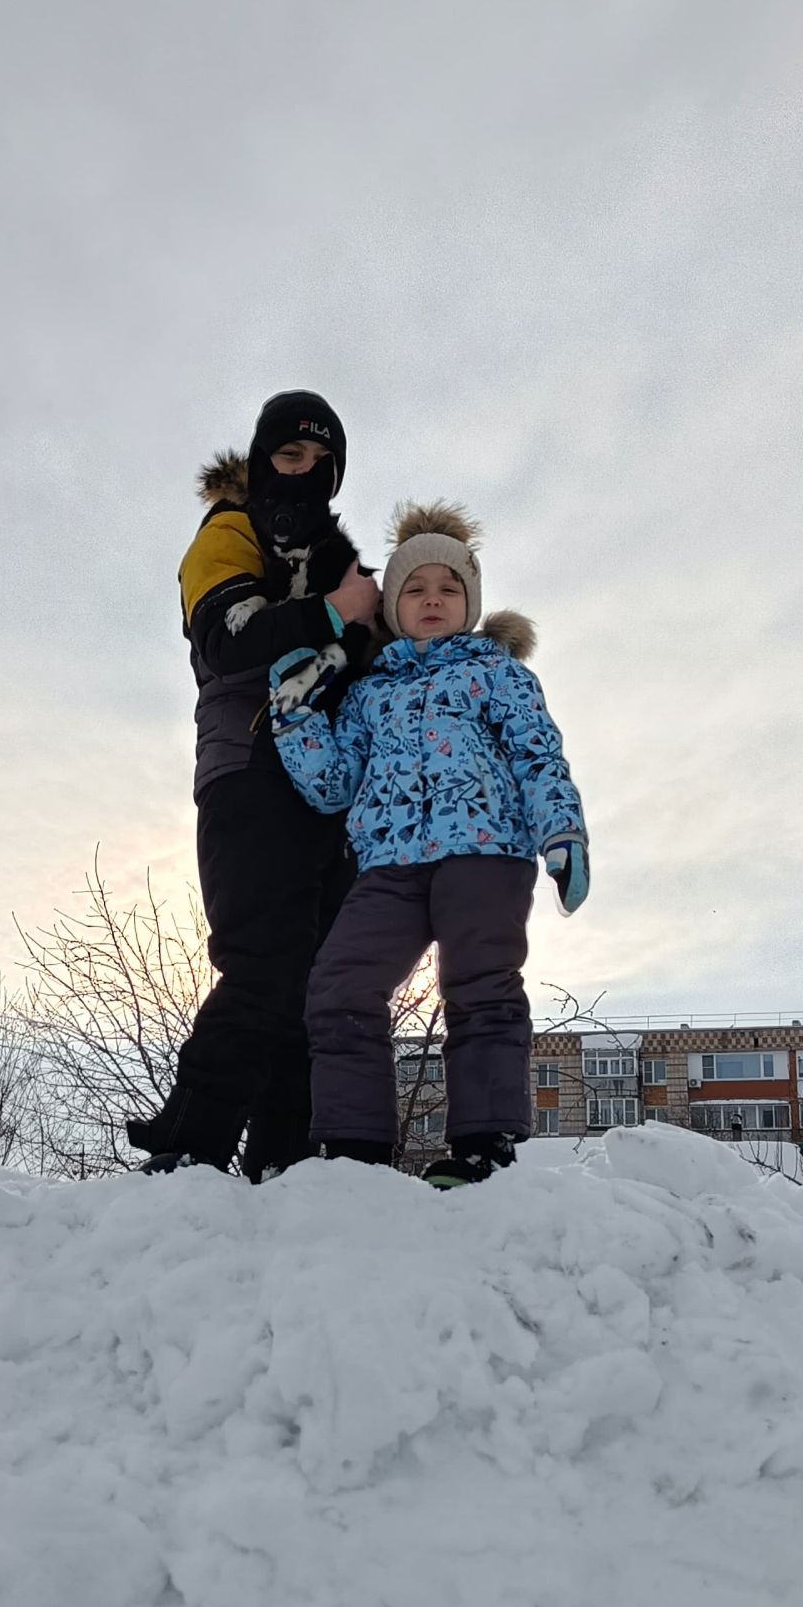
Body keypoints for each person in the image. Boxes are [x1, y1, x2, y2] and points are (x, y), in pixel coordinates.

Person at [270, 501, 588, 1187]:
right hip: (389, 863)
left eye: (448, 589)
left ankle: (484, 1143)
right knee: (338, 985)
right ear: (393, 605)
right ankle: (354, 1151)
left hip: (485, 849)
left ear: (469, 603)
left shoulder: (496, 673)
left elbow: (538, 756)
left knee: (479, 983)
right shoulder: (367, 694)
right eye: (415, 589)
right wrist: (295, 717)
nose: (432, 599)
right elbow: (332, 785)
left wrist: (561, 830)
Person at [129, 390, 380, 1178]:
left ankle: (286, 1163)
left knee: (320, 978)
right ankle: (191, 1143)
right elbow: (228, 636)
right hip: (247, 770)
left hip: (329, 791)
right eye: (289, 456)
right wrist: (338, 616)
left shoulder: (336, 555)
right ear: (261, 458)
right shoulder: (228, 533)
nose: (303, 473)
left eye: (320, 462)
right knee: (264, 961)